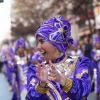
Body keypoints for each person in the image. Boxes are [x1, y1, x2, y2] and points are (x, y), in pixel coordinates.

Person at [26, 16, 90, 100]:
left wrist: (62, 80)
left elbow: (84, 91)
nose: (38, 47)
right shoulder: (36, 70)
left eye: (42, 41)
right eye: (37, 42)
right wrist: (41, 85)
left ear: (56, 44)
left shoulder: (78, 62)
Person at [91, 35, 100, 100]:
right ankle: (97, 94)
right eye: (96, 43)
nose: (98, 45)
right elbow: (96, 58)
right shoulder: (93, 51)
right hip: (95, 69)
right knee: (96, 81)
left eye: (98, 43)